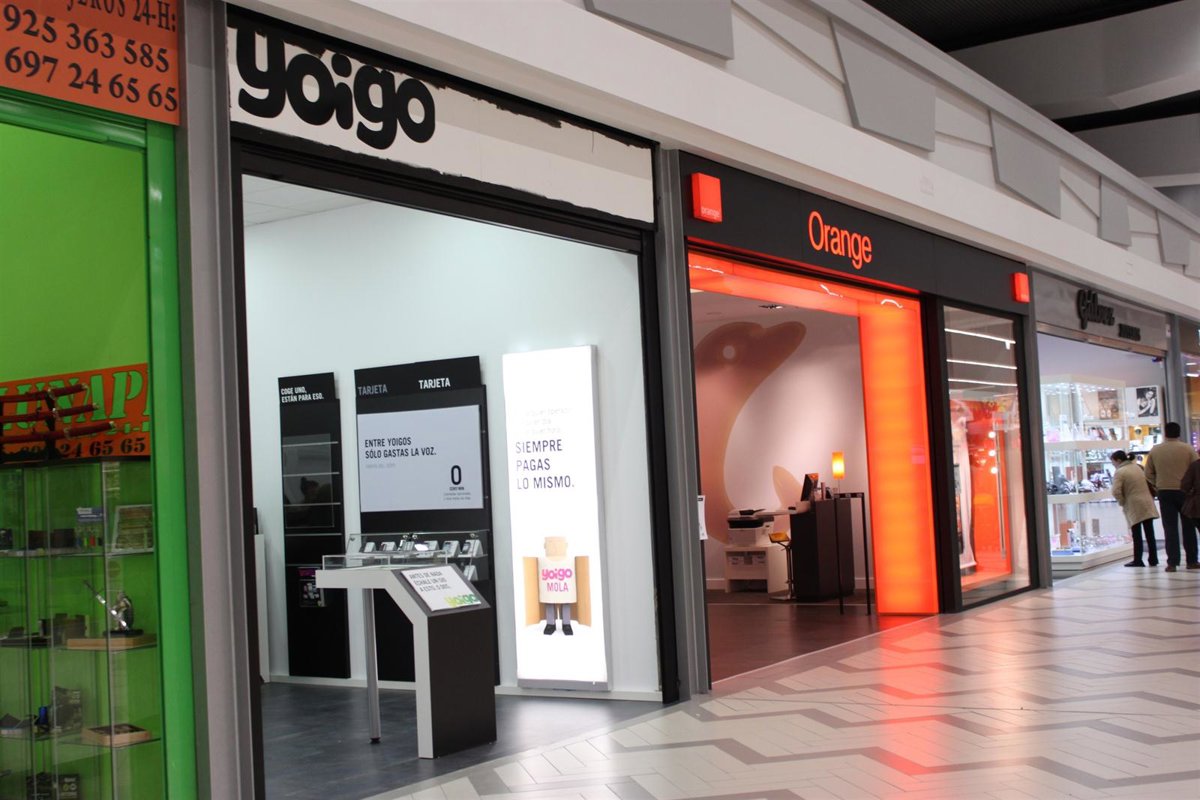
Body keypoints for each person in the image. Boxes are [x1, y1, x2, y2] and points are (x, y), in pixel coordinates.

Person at [1144, 422, 1199, 572]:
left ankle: (1172, 563)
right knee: (1189, 526)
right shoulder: (1188, 449)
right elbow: (1196, 469)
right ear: (1179, 433)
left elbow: (1148, 473)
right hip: (1185, 492)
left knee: (1170, 528)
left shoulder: (1156, 450)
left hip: (1165, 491)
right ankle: (1192, 560)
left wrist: (1157, 484)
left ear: (1165, 433)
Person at [1110, 450, 1158, 567]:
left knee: (1136, 534)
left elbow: (1116, 491)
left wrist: (1122, 502)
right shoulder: (1137, 467)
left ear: (1118, 460)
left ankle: (1138, 559)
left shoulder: (1120, 472)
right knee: (1150, 533)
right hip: (1147, 502)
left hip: (1134, 504)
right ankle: (1153, 559)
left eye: (1113, 462)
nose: (1113, 465)